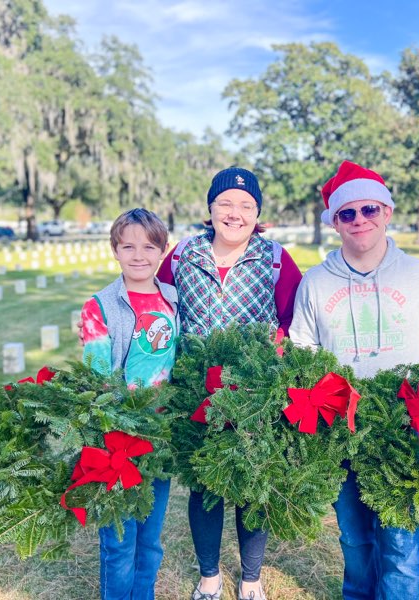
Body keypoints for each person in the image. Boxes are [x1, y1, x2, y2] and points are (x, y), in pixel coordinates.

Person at [289, 160, 419, 600]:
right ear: (335, 222)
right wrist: (328, 396)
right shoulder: (314, 283)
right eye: (347, 214)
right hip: (343, 431)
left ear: (387, 212)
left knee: (402, 544)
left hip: (402, 427)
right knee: (355, 539)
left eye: (369, 209)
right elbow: (302, 345)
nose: (359, 221)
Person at [155, 167, 303, 600]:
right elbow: (157, 313)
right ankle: (209, 578)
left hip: (256, 395)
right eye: (226, 203)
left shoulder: (275, 258)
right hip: (198, 394)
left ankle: (251, 579)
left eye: (245, 206)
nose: (234, 214)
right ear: (210, 208)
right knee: (205, 486)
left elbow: (295, 320)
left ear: (257, 213)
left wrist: (272, 366)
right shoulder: (183, 255)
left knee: (251, 486)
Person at [80, 208, 179, 600]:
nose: (139, 255)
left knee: (151, 539)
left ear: (162, 251)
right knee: (120, 541)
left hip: (161, 435)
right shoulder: (100, 306)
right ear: (115, 251)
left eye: (149, 247)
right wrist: (115, 430)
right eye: (128, 246)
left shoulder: (170, 297)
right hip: (119, 439)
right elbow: (97, 382)